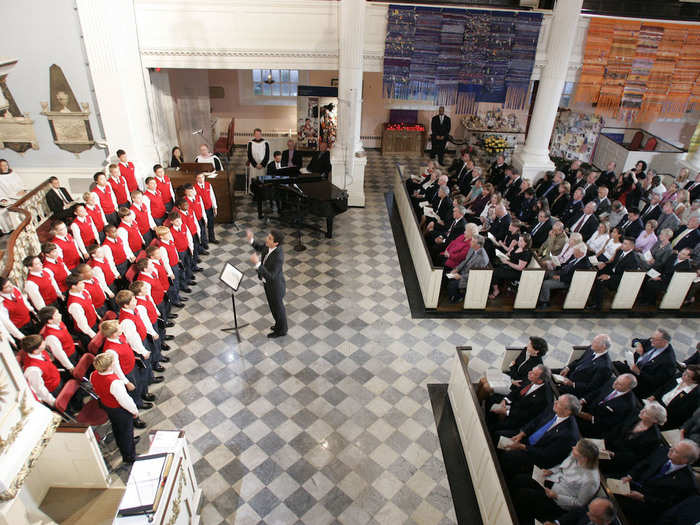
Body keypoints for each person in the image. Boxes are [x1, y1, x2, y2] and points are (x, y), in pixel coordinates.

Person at [510, 439, 600, 525]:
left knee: (523, 495)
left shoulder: (591, 481)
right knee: (520, 479)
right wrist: (551, 471)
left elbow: (579, 503)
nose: (573, 448)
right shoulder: (575, 455)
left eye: (576, 449)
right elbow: (562, 467)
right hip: (552, 480)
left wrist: (556, 496)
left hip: (558, 500)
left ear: (584, 458)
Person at [617, 440, 700, 525]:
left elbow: (667, 504)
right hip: (631, 484)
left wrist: (643, 497)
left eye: (676, 451)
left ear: (684, 460)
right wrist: (630, 476)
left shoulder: (687, 483)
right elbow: (644, 463)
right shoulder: (663, 451)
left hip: (645, 505)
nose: (670, 450)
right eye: (673, 447)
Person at [497, 394, 581, 475]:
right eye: (557, 400)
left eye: (559, 403)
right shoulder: (554, 408)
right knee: (499, 435)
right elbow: (536, 421)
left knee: (509, 457)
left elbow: (546, 454)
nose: (555, 402)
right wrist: (522, 434)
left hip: (537, 455)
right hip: (527, 439)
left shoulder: (569, 435)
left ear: (568, 411)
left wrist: (522, 447)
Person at [90, 352, 139, 464]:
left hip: (107, 405)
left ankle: (124, 445)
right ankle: (129, 456)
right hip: (119, 409)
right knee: (126, 431)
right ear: (109, 366)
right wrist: (134, 411)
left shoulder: (93, 375)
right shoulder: (114, 382)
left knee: (117, 428)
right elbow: (124, 400)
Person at [99, 320, 150, 426]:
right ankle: (136, 417)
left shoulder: (119, 338)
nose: (121, 327)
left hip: (132, 367)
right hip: (126, 374)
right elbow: (116, 369)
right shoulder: (111, 351)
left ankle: (140, 401)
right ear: (113, 334)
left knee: (138, 385)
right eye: (119, 328)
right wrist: (126, 382)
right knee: (131, 393)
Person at [600, 402, 666, 477]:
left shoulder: (654, 438)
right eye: (644, 409)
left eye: (646, 412)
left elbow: (635, 457)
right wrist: (603, 442)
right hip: (608, 445)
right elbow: (616, 429)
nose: (642, 411)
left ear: (654, 420)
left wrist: (614, 454)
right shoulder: (635, 414)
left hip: (619, 460)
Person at [487, 364, 553, 434]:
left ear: (540, 381)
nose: (529, 373)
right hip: (515, 405)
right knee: (491, 400)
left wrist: (506, 412)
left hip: (518, 418)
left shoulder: (543, 398)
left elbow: (527, 415)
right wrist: (505, 400)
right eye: (532, 371)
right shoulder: (530, 378)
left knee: (495, 428)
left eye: (534, 374)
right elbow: (516, 391)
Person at [616, 328, 678, 399]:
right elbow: (635, 340)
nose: (651, 340)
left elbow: (655, 382)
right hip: (632, 367)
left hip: (641, 382)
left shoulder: (668, 362)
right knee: (615, 364)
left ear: (664, 342)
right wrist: (638, 345)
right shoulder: (653, 341)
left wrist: (639, 372)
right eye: (652, 338)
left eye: (654, 339)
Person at [247, 229, 287, 338]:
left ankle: (282, 330)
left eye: (269, 238)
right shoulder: (268, 246)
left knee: (278, 310)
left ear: (276, 243)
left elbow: (272, 276)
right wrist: (251, 240)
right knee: (273, 307)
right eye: (268, 236)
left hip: (275, 287)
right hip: (268, 285)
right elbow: (259, 247)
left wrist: (258, 264)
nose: (267, 239)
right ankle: (278, 325)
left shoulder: (278, 256)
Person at [575, 373, 638, 438]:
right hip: (587, 409)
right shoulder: (612, 380)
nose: (615, 383)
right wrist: (583, 400)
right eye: (617, 380)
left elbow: (611, 422)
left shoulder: (628, 405)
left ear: (628, 388)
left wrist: (590, 417)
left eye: (620, 384)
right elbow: (598, 392)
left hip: (594, 424)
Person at [555, 333, 614, 398]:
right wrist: (568, 368)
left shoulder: (605, 367)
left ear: (603, 347)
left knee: (553, 388)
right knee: (547, 372)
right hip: (570, 373)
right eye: (593, 340)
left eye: (595, 342)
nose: (592, 343)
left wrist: (572, 384)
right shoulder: (591, 349)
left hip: (576, 388)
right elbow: (578, 361)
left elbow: (592, 386)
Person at [588, 236, 639, 310]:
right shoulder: (620, 251)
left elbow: (625, 276)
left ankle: (598, 305)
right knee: (595, 271)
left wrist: (609, 277)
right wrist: (605, 263)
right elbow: (614, 263)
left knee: (600, 282)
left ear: (631, 246)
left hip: (619, 279)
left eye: (625, 244)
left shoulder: (633, 259)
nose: (622, 245)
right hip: (613, 272)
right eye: (623, 243)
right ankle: (591, 299)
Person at [537, 243, 591, 308]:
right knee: (545, 273)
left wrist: (560, 277)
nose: (573, 253)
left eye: (575, 252)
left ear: (582, 253)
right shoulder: (575, 256)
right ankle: (539, 295)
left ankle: (544, 302)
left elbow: (575, 278)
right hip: (562, 273)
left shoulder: (584, 264)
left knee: (546, 284)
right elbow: (566, 264)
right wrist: (557, 266)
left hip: (566, 281)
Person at [647, 365, 699, 430]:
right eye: (685, 372)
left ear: (694, 381)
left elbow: (680, 413)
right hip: (656, 404)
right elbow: (664, 387)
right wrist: (654, 396)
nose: (683, 375)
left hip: (666, 417)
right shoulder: (679, 376)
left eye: (687, 375)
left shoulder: (695, 395)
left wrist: (659, 412)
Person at [21, 335, 66, 408]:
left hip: (58, 381)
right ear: (35, 350)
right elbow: (40, 389)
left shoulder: (41, 352)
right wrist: (53, 402)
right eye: (42, 343)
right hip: (54, 391)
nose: (45, 342)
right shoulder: (32, 369)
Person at [445, 234, 489, 303]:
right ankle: (453, 294)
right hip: (465, 271)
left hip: (470, 278)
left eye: (473, 241)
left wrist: (461, 277)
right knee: (447, 275)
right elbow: (465, 261)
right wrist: (457, 269)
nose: (470, 242)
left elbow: (476, 275)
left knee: (452, 285)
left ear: (478, 245)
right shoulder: (472, 248)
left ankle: (458, 297)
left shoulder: (482, 258)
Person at [489, 233, 533, 300]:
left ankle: (496, 290)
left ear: (526, 243)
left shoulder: (526, 253)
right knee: (494, 265)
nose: (519, 242)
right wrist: (505, 255)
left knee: (495, 272)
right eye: (519, 240)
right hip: (509, 265)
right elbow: (509, 253)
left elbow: (520, 268)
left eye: (521, 241)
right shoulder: (517, 246)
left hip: (516, 272)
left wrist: (507, 262)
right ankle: (495, 285)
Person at [38, 306, 78, 370]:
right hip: (68, 357)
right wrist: (70, 367)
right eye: (56, 315)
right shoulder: (51, 337)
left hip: (73, 350)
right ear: (50, 321)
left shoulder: (59, 323)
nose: (60, 315)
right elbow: (59, 353)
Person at [66, 273, 99, 349]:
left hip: (94, 322)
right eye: (81, 283)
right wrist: (94, 336)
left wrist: (97, 315)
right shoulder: (74, 304)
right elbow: (82, 325)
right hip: (88, 332)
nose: (83, 284)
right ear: (73, 286)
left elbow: (91, 305)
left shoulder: (84, 291)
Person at [543, 497, 619, 525]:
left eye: (592, 515)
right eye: (589, 509)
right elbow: (577, 512)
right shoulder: (591, 509)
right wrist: (556, 523)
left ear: (607, 522)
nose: (587, 514)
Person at [195, 172, 218, 245]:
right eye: (199, 178)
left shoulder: (208, 185)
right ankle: (204, 242)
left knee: (211, 224)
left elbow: (212, 196)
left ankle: (212, 238)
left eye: (202, 177)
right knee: (202, 226)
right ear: (196, 179)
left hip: (209, 208)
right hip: (201, 210)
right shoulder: (195, 188)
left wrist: (215, 207)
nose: (201, 179)